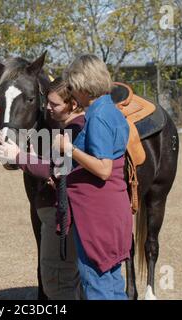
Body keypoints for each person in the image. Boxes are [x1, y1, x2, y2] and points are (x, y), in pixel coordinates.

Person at [52, 54, 132, 299]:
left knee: (97, 284)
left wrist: (69, 149)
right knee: (113, 282)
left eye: (74, 87)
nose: (73, 94)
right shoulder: (112, 110)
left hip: (97, 216)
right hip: (113, 210)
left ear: (83, 85)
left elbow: (103, 169)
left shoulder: (97, 116)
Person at [0, 77, 83, 300]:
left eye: (54, 104)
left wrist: (19, 157)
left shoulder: (73, 132)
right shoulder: (68, 129)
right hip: (57, 218)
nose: (47, 108)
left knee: (58, 285)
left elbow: (57, 171)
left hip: (62, 219)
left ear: (72, 105)